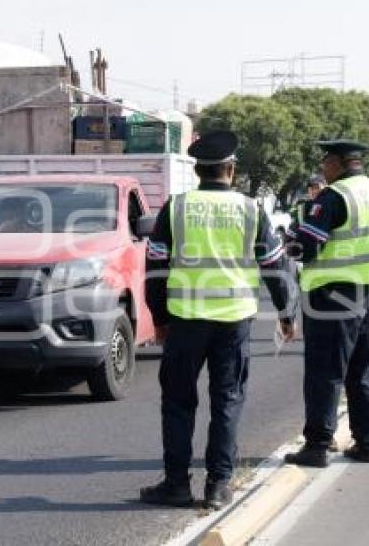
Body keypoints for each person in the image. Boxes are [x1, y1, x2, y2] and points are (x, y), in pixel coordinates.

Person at [140, 130, 298, 510]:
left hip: (184, 321)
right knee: (227, 401)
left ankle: (176, 485)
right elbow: (275, 266)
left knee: (178, 403)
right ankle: (219, 485)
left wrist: (159, 318)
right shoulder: (250, 209)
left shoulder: (175, 208)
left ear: (198, 170)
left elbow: (155, 267)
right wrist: (286, 313)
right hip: (233, 322)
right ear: (231, 168)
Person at [284, 140, 369, 468]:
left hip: (334, 296)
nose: (322, 168)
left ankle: (318, 446)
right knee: (364, 370)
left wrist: (290, 244)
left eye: (325, 162)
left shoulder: (334, 196)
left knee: (325, 371)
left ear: (338, 163)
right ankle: (367, 442)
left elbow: (307, 247)